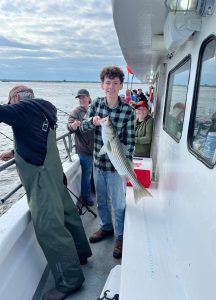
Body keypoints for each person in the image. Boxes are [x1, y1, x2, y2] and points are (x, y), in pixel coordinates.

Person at [0, 85, 92, 300]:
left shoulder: (23, 108)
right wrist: (14, 152)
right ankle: (81, 253)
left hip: (41, 181)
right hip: (54, 175)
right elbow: (36, 139)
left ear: (16, 98)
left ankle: (70, 280)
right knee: (69, 216)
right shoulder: (42, 108)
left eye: (9, 100)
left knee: (49, 228)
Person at [80, 66, 135, 259]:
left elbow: (129, 142)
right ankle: (105, 227)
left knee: (118, 204)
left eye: (115, 83)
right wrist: (93, 122)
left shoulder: (128, 111)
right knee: (101, 200)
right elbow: (83, 126)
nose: (110, 86)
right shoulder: (95, 104)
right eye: (107, 82)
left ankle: (120, 236)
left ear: (120, 85)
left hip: (116, 167)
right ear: (102, 85)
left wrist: (125, 164)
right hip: (98, 164)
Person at [67, 89, 94, 206]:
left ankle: (93, 189)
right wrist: (73, 125)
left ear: (89, 98)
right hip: (84, 150)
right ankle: (85, 196)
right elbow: (69, 127)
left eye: (83, 97)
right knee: (86, 174)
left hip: (96, 149)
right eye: (79, 98)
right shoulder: (76, 112)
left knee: (94, 171)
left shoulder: (94, 110)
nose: (82, 100)